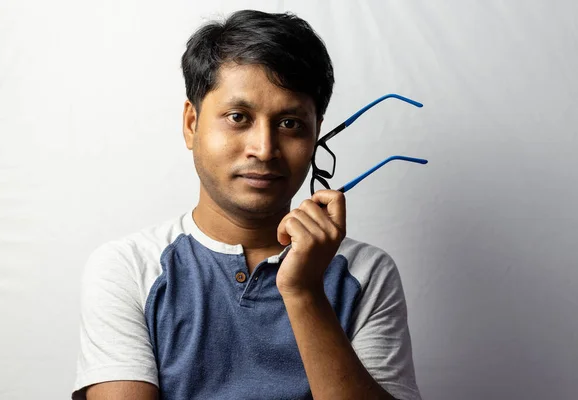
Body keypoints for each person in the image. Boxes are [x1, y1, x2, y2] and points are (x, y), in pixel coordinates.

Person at [72, 9, 421, 400]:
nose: (264, 149)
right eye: (238, 117)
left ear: (316, 134)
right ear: (192, 124)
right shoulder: (129, 267)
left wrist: (304, 291)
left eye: (290, 124)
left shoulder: (365, 274)